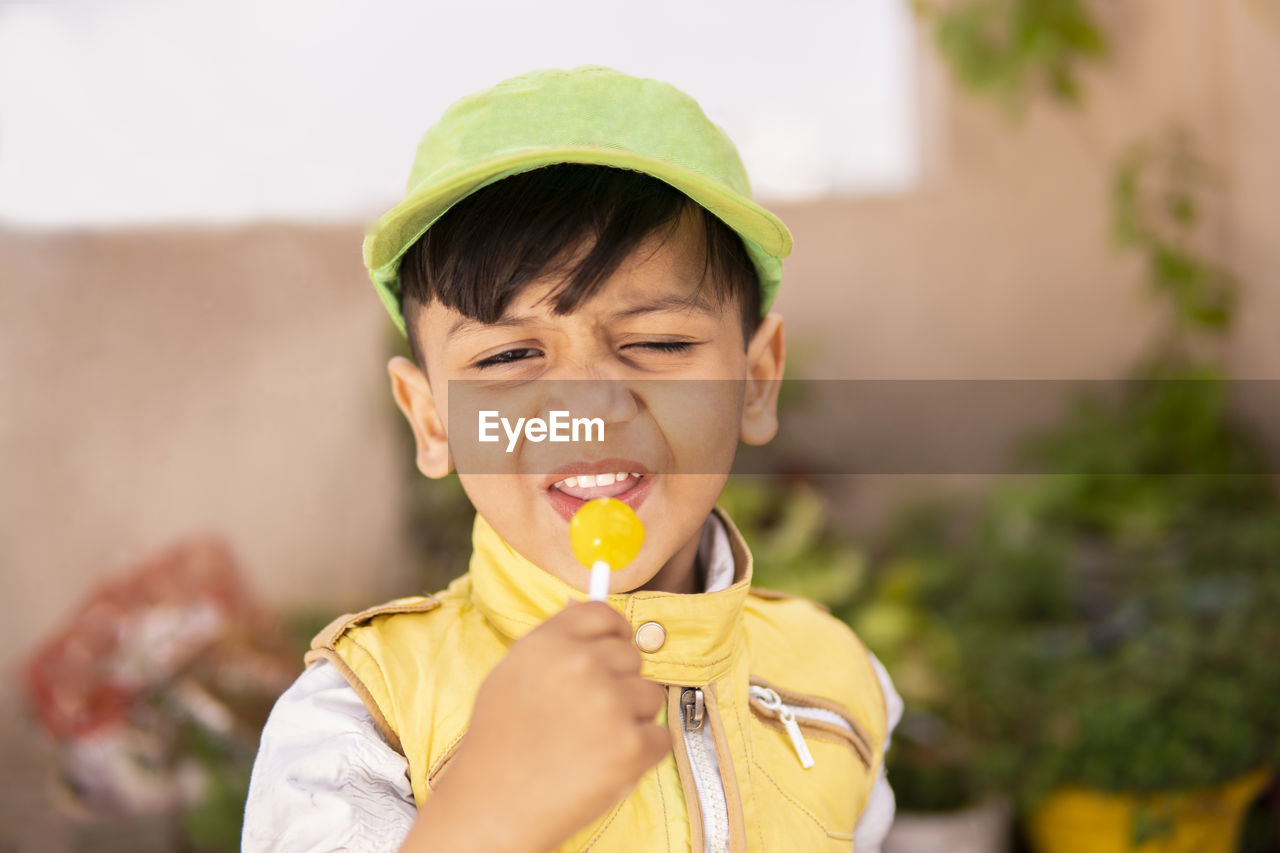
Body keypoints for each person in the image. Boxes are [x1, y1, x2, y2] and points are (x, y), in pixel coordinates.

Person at [242, 65, 902, 853]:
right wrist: (485, 814)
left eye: (659, 343)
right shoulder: (361, 715)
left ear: (755, 382)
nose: (588, 405)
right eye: (510, 355)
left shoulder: (839, 681)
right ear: (431, 419)